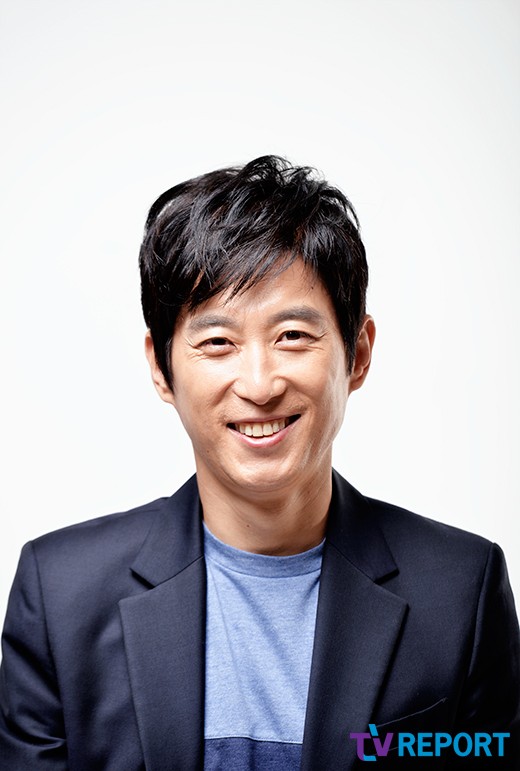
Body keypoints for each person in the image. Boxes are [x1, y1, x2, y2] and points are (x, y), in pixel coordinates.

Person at [0, 156, 518, 770]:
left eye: (292, 335)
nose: (259, 384)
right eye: (217, 342)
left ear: (357, 354)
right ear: (161, 368)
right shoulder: (60, 595)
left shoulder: (461, 591)